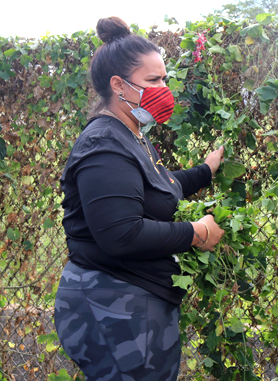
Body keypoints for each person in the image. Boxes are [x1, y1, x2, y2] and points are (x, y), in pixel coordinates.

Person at [54, 16, 224, 381]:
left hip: (129, 301)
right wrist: (196, 232)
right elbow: (121, 234)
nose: (165, 88)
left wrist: (205, 172)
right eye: (154, 80)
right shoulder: (104, 145)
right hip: (112, 306)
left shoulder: (129, 134)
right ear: (119, 85)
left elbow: (156, 185)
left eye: (164, 78)